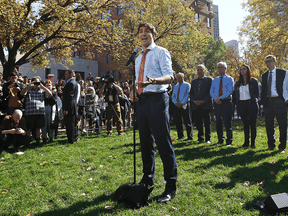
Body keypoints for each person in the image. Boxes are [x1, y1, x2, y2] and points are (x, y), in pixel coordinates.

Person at [135, 22, 177, 203]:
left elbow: (170, 76)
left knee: (163, 143)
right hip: (142, 102)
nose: (143, 34)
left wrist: (154, 81)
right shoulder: (138, 58)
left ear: (153, 34)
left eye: (147, 31)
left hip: (158, 100)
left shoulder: (161, 52)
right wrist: (134, 91)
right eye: (140, 32)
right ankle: (147, 179)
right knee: (145, 143)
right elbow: (138, 80)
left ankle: (170, 186)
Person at [261, 55, 287, 153]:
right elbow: (263, 91)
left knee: (282, 125)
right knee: (269, 125)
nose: (268, 63)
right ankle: (271, 145)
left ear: (275, 62)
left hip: (280, 101)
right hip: (268, 102)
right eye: (266, 61)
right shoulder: (264, 75)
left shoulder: (282, 73)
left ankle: (282, 147)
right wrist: (262, 104)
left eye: (270, 61)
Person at [21, 77, 52, 146]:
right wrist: (28, 86)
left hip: (40, 112)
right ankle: (27, 142)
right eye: (35, 82)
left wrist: (43, 87)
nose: (36, 84)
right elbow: (22, 93)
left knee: (38, 128)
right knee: (28, 128)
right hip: (29, 112)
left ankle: (38, 141)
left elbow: (50, 94)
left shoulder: (42, 90)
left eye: (38, 82)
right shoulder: (28, 90)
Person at [233, 64, 259, 149]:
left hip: (251, 104)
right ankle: (246, 142)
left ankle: (253, 143)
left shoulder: (254, 81)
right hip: (242, 105)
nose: (242, 71)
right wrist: (237, 105)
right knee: (245, 124)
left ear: (248, 70)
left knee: (252, 124)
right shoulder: (238, 82)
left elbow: (257, 94)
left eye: (244, 69)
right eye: (241, 69)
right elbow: (236, 95)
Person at [210, 62, 234, 147]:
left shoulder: (229, 79)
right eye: (218, 67)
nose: (219, 69)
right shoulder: (215, 80)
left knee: (227, 121)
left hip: (226, 102)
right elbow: (212, 91)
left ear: (225, 68)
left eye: (221, 67)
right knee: (218, 122)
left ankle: (229, 140)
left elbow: (229, 91)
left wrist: (220, 98)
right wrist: (216, 99)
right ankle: (220, 139)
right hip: (216, 103)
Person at [190, 64, 213, 144]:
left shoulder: (209, 80)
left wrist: (204, 101)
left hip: (206, 105)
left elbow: (211, 92)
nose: (199, 71)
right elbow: (191, 93)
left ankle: (207, 139)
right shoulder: (193, 82)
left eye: (201, 70)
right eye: (198, 70)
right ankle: (200, 138)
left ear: (205, 71)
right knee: (198, 122)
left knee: (207, 122)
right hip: (196, 105)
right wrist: (194, 101)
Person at [171, 72, 193, 140]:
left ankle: (190, 136)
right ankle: (180, 136)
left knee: (187, 121)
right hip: (177, 105)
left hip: (184, 105)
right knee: (178, 121)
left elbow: (187, 95)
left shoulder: (187, 85)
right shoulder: (176, 86)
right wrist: (176, 103)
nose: (179, 79)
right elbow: (173, 96)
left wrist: (182, 103)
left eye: (180, 77)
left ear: (183, 78)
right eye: (178, 77)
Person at [62, 70, 79, 144]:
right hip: (72, 106)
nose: (65, 75)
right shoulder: (72, 83)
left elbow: (69, 97)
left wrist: (66, 108)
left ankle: (71, 139)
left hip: (70, 107)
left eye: (66, 74)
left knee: (70, 124)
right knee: (72, 123)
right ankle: (73, 138)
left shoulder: (71, 83)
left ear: (71, 74)